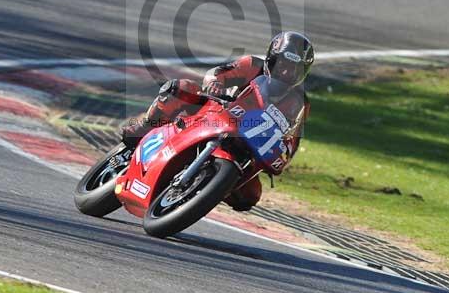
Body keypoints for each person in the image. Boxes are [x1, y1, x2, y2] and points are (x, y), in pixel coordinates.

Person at [121, 31, 314, 211]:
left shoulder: (299, 102)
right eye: (284, 65)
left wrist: (283, 153)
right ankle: (145, 127)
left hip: (247, 143)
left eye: (295, 69)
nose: (288, 73)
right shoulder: (252, 65)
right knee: (181, 88)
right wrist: (215, 85)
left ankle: (207, 187)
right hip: (215, 113)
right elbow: (217, 74)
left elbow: (292, 139)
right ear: (272, 59)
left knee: (250, 196)